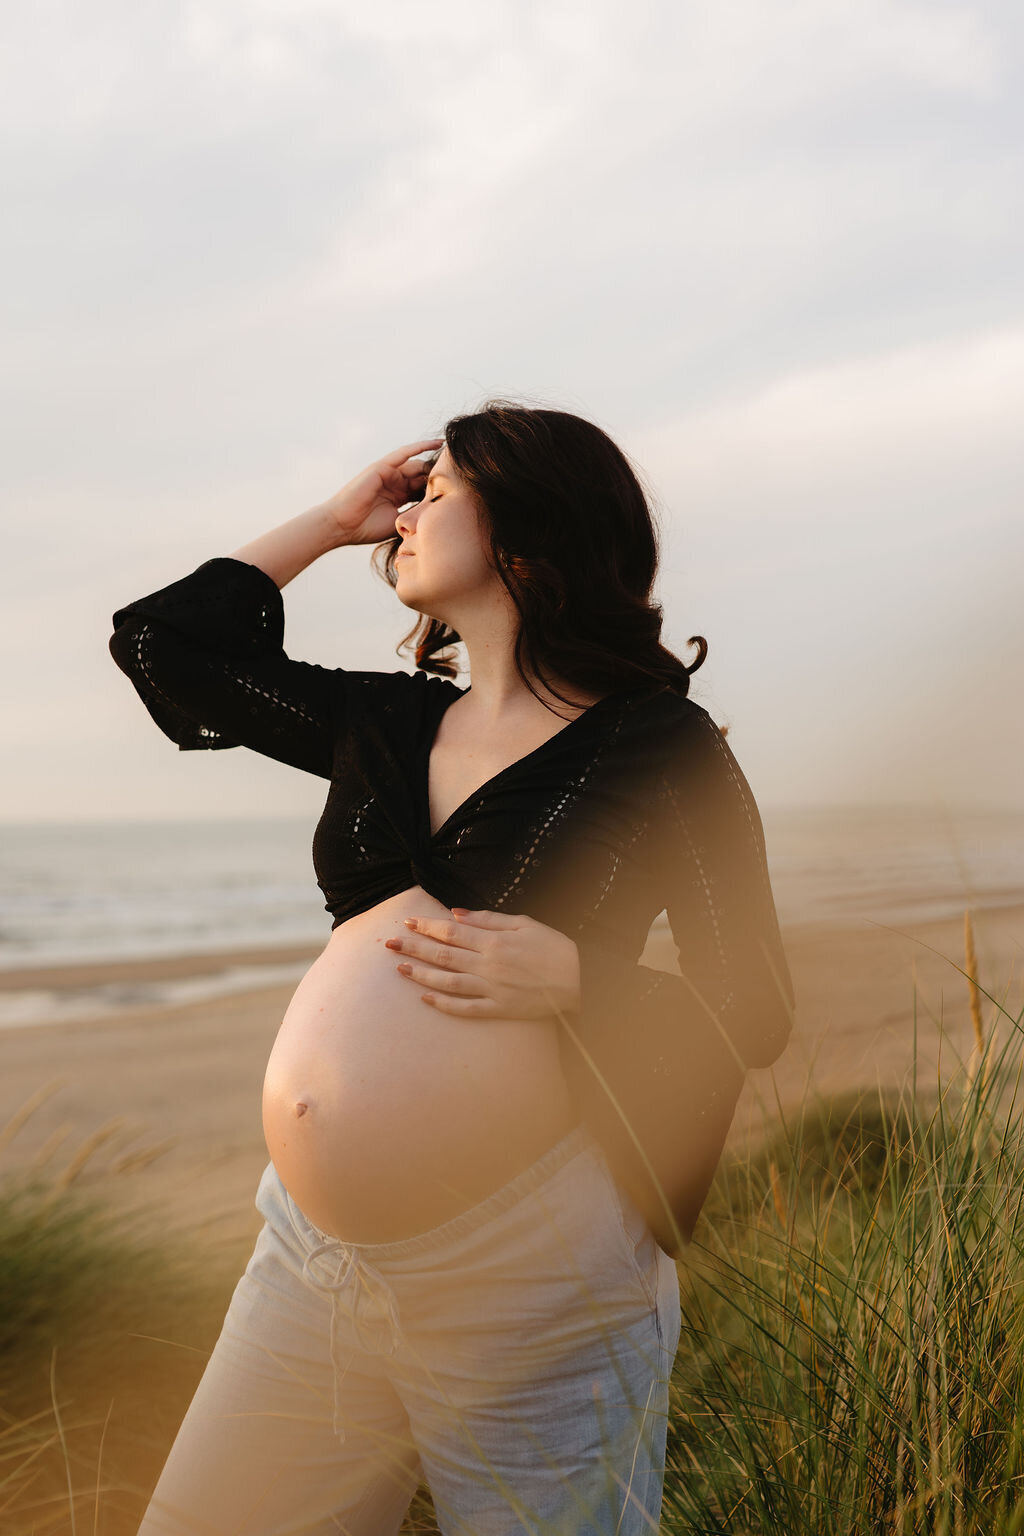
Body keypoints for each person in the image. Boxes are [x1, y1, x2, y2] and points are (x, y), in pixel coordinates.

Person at [108, 401, 795, 1535]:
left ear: (529, 531)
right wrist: (330, 522)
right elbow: (159, 647)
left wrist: (581, 978)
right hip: (311, 1256)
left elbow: (752, 1007)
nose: (404, 518)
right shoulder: (381, 721)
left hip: (530, 1266)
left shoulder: (661, 749)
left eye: (437, 494)